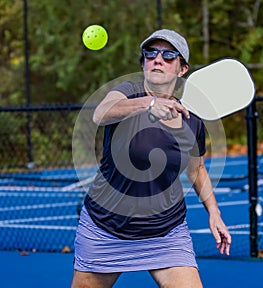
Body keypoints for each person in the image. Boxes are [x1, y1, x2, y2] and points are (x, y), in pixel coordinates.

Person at [71, 29, 231, 288]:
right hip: (107, 227)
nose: (158, 59)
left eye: (168, 55)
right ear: (144, 62)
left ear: (182, 69)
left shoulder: (193, 119)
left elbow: (197, 168)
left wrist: (214, 212)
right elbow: (100, 113)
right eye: (151, 53)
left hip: (166, 231)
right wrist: (149, 103)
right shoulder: (129, 92)